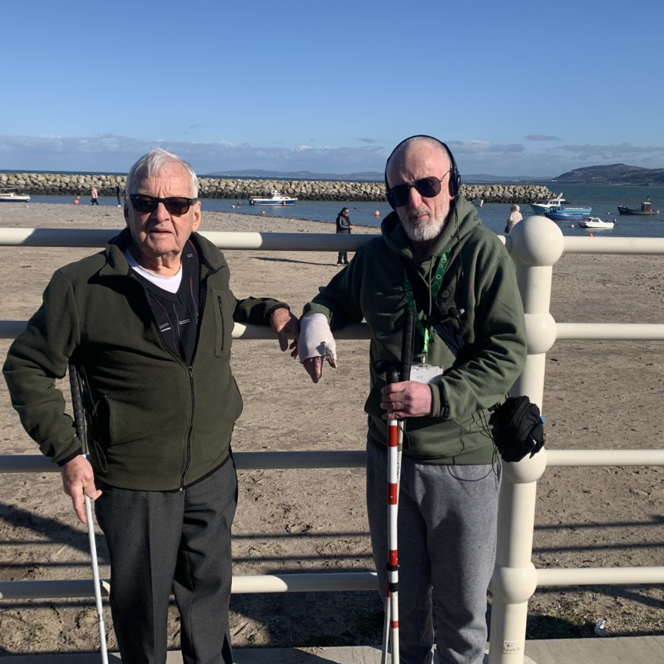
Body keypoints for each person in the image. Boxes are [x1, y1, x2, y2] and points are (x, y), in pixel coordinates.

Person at [3, 148, 299, 664]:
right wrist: (69, 453)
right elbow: (26, 367)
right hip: (133, 483)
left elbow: (228, 307)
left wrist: (273, 310)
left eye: (177, 203)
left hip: (211, 470)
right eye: (146, 202)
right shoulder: (82, 287)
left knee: (209, 600)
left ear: (197, 213)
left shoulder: (210, 265)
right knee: (140, 616)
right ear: (126, 208)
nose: (161, 215)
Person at [297, 135, 527, 664]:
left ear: (453, 186)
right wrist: (317, 316)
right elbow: (334, 295)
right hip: (389, 454)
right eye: (401, 192)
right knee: (401, 607)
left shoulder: (483, 253)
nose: (415, 202)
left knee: (464, 615)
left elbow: (507, 351)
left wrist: (438, 396)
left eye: (427, 186)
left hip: (463, 460)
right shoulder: (377, 256)